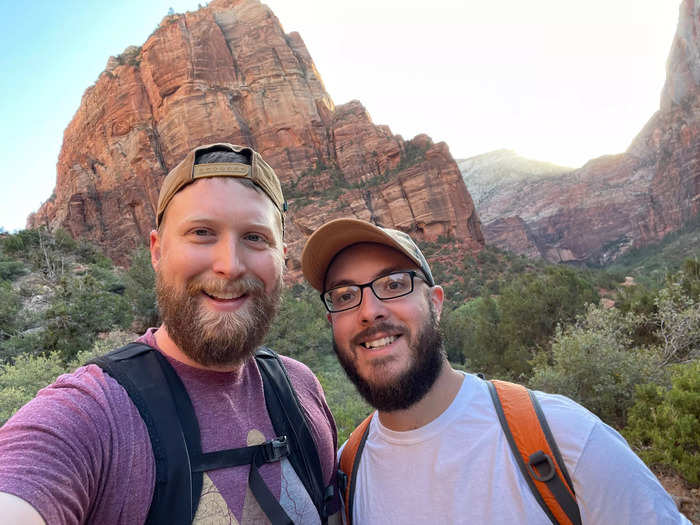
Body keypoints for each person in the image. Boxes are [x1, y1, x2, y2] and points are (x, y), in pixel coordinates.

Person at [0, 143, 338, 524]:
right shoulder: (92, 414)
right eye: (201, 232)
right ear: (157, 252)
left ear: (283, 258)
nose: (229, 264)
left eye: (255, 238)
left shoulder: (300, 388)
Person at [301, 217, 690, 525]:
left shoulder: (567, 440)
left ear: (436, 304)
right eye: (345, 296)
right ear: (331, 321)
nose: (369, 311)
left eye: (394, 283)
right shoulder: (344, 476)